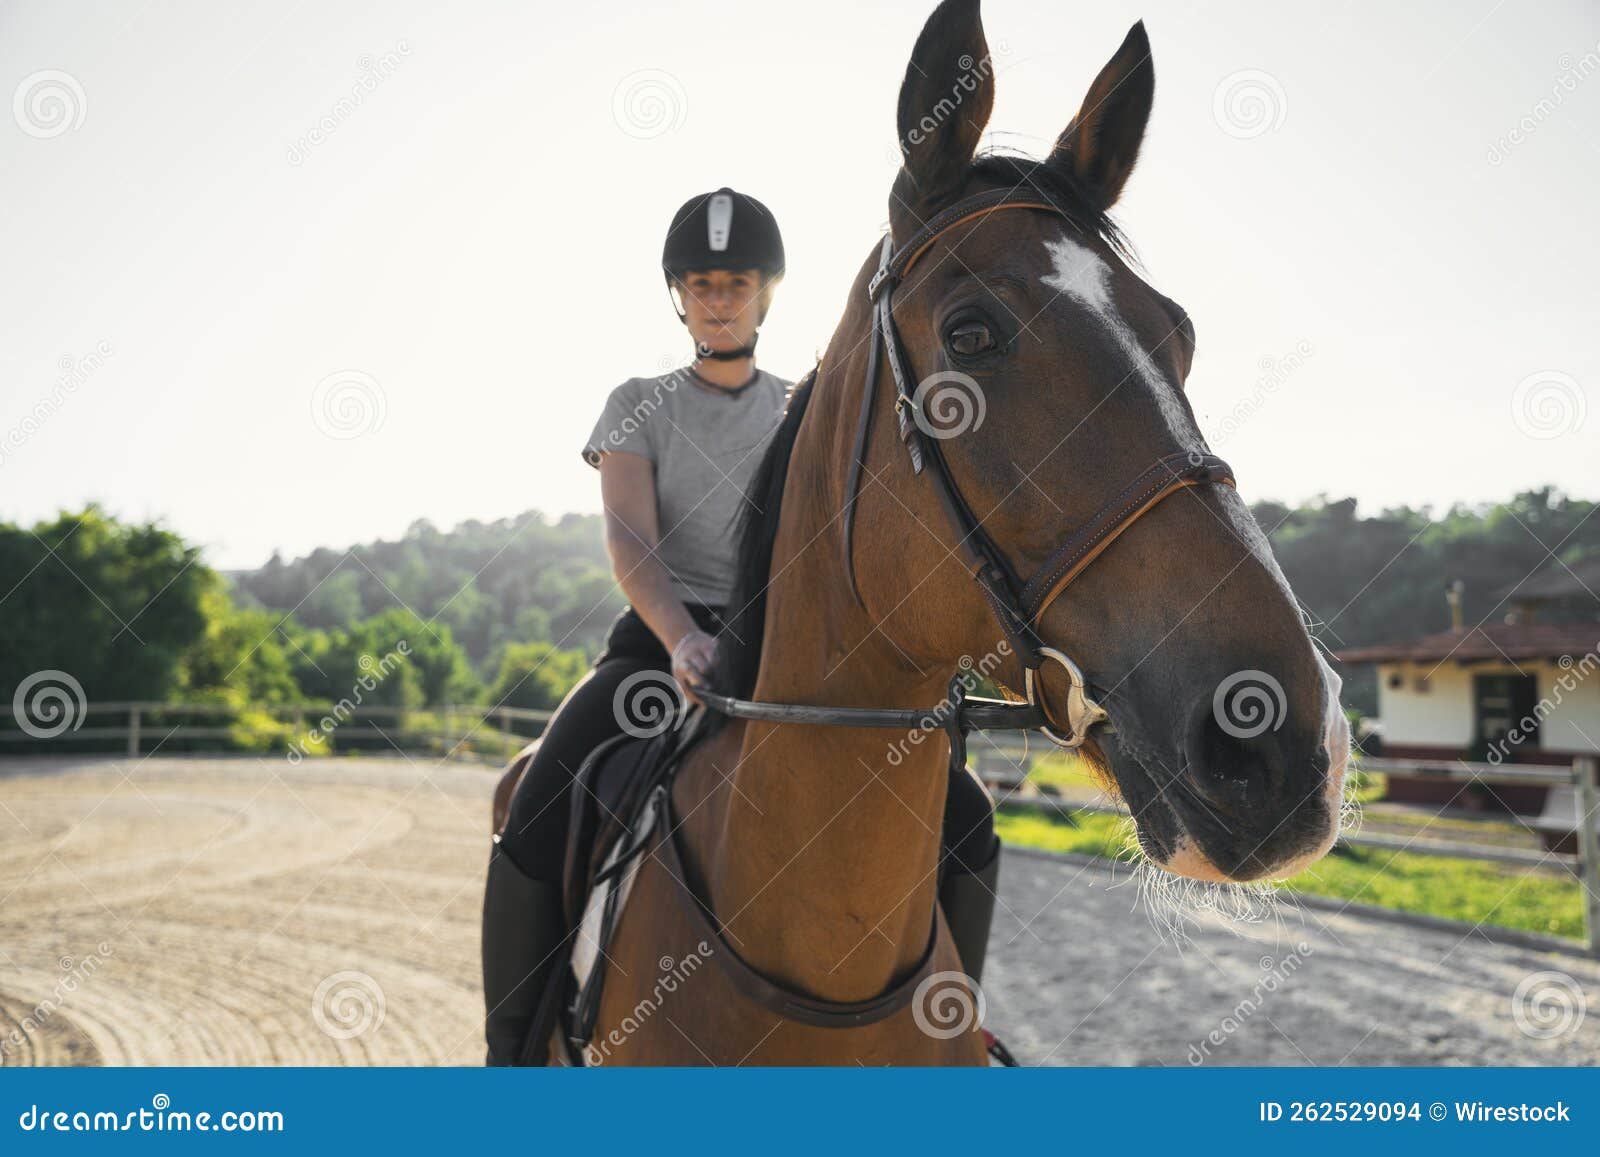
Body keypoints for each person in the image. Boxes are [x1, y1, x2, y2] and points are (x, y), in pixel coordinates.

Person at [480, 187, 1000, 1066]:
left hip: (788, 653)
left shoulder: (808, 408)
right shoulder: (639, 403)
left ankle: (954, 1029)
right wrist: (683, 635)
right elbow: (629, 536)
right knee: (536, 804)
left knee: (968, 816)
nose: (719, 297)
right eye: (701, 281)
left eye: (737, 281)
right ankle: (513, 1055)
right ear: (678, 295)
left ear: (768, 293)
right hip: (658, 649)